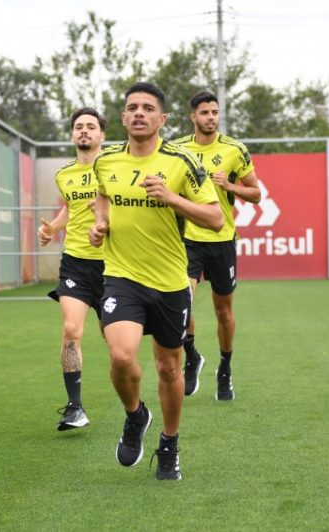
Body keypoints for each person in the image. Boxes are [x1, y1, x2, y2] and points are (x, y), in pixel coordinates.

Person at [88, 82, 223, 480]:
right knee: (121, 355)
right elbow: (102, 194)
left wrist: (172, 198)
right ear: (124, 116)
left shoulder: (182, 162)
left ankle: (169, 444)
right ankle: (135, 415)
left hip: (169, 282)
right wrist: (101, 223)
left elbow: (215, 218)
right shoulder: (106, 161)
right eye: (132, 107)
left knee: (168, 368)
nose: (139, 113)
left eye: (148, 108)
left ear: (162, 119)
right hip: (121, 276)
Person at [172, 91, 261, 401]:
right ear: (193, 117)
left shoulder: (235, 150)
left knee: (223, 313)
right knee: (182, 302)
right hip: (187, 240)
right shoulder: (178, 149)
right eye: (204, 112)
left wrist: (229, 186)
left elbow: (256, 194)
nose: (211, 117)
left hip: (222, 241)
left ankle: (225, 368)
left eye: (214, 112)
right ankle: (192, 355)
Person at [37, 107, 106, 432]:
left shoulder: (115, 168)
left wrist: (108, 211)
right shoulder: (64, 174)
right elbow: (70, 209)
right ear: (72, 134)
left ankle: (134, 407)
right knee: (71, 331)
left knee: (119, 348)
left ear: (102, 135)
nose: (84, 131)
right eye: (79, 126)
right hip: (75, 263)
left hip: (114, 265)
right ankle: (75, 407)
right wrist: (52, 227)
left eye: (91, 127)